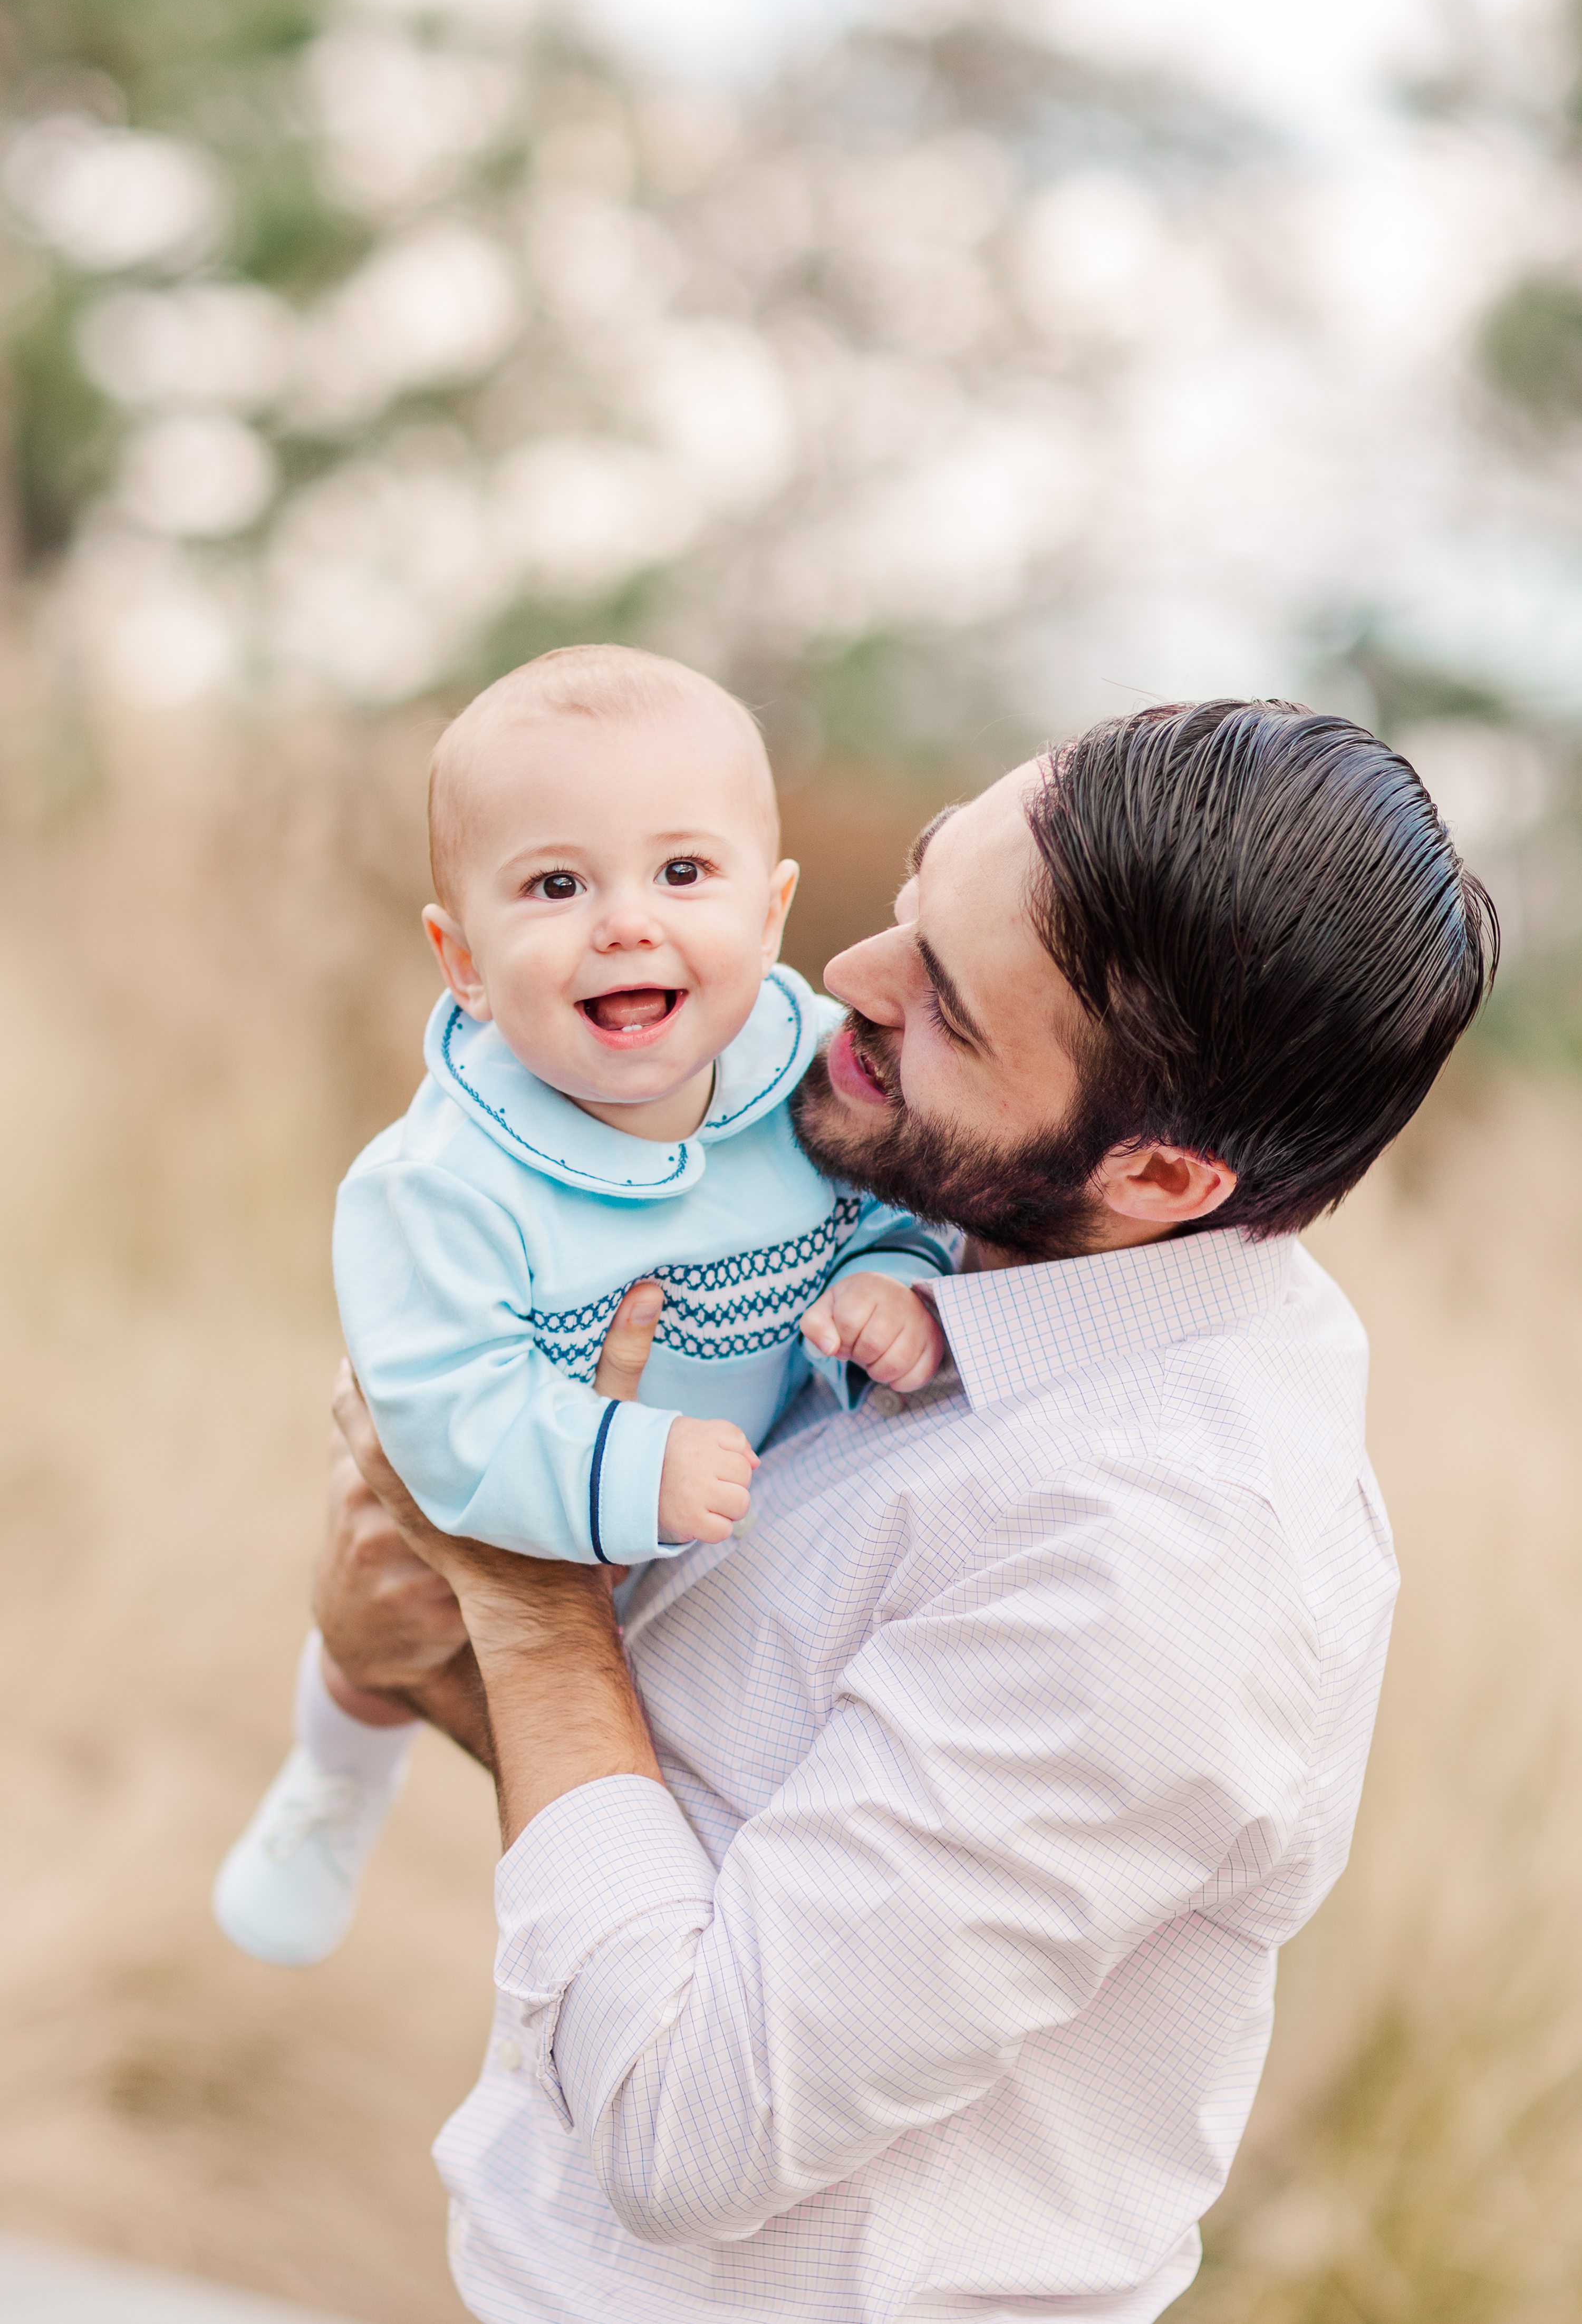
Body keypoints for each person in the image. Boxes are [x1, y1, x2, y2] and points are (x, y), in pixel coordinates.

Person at [315, 700, 1496, 2324]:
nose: (840, 987)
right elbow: (718, 1820)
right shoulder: (961, 1238)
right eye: (920, 894)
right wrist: (434, 1646)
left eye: (944, 1010)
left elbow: (686, 2120)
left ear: (1158, 1180)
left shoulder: (1165, 1562)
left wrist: (525, 1602)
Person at [213, 646, 951, 1969]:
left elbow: (892, 1210)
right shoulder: (441, 1183)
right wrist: (625, 1461)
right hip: (527, 1499)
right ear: (465, 959)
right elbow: (441, 1416)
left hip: (734, 1524)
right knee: (387, 1615)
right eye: (556, 886)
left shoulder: (809, 1077)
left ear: (771, 914)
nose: (625, 921)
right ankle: (334, 1773)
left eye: (682, 873)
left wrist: (887, 1281)